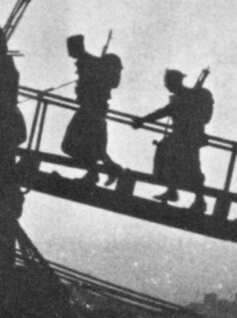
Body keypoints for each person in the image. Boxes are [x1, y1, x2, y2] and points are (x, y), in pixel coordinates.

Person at [132, 69, 209, 212]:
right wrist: (143, 120)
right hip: (184, 136)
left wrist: (143, 120)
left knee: (191, 167)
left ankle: (196, 200)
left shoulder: (186, 96)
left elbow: (164, 111)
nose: (166, 86)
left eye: (168, 83)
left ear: (175, 82)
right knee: (177, 161)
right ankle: (176, 192)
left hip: (188, 137)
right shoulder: (184, 96)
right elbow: (166, 111)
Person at [60, 35, 123, 185]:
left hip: (90, 109)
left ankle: (99, 172)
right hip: (95, 109)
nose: (69, 53)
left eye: (70, 49)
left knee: (70, 145)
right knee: (95, 147)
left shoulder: (89, 62)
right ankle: (103, 171)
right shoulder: (91, 62)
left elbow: (92, 85)